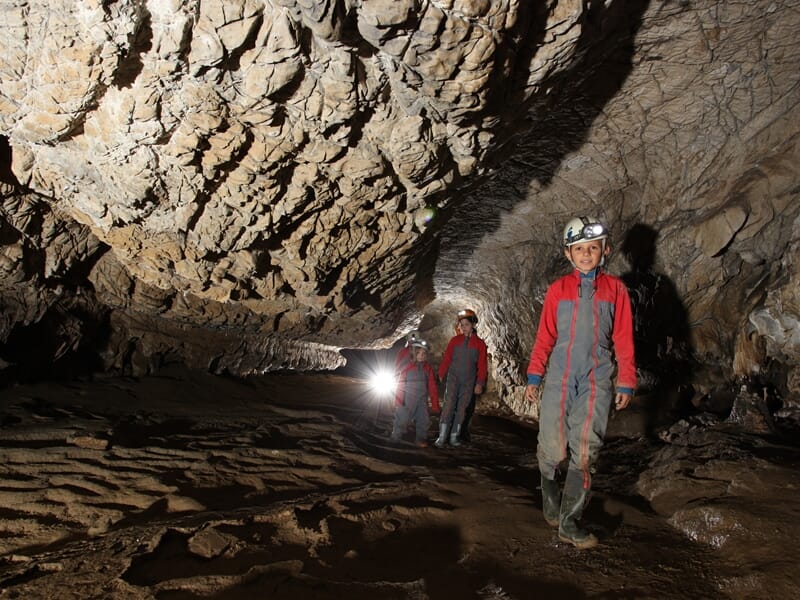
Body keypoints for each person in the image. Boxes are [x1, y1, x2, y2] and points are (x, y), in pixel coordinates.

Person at [525, 216, 636, 550]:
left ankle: (570, 521)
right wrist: (535, 374)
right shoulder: (558, 290)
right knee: (554, 448)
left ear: (605, 251)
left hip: (597, 377)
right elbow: (545, 335)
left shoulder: (616, 289)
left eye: (593, 248)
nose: (586, 254)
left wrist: (626, 380)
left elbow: (624, 338)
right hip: (560, 374)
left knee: (587, 450)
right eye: (579, 249)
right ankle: (548, 490)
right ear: (568, 253)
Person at [436, 309, 488, 448]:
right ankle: (442, 436)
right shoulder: (455, 340)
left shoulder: (480, 344)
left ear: (473, 325)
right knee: (448, 405)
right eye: (461, 324)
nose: (462, 327)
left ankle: (454, 437)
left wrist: (480, 383)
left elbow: (482, 365)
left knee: (462, 409)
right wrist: (441, 374)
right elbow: (447, 358)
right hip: (453, 377)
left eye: (465, 324)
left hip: (469, 381)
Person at [391, 338, 440, 447]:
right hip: (407, 399)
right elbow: (401, 384)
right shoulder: (407, 367)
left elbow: (432, 386)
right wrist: (398, 401)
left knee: (424, 419)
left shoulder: (427, 368)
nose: (421, 355)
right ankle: (396, 437)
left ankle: (420, 439)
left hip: (421, 399)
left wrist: (435, 404)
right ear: (414, 353)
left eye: (423, 353)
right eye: (418, 353)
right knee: (402, 419)